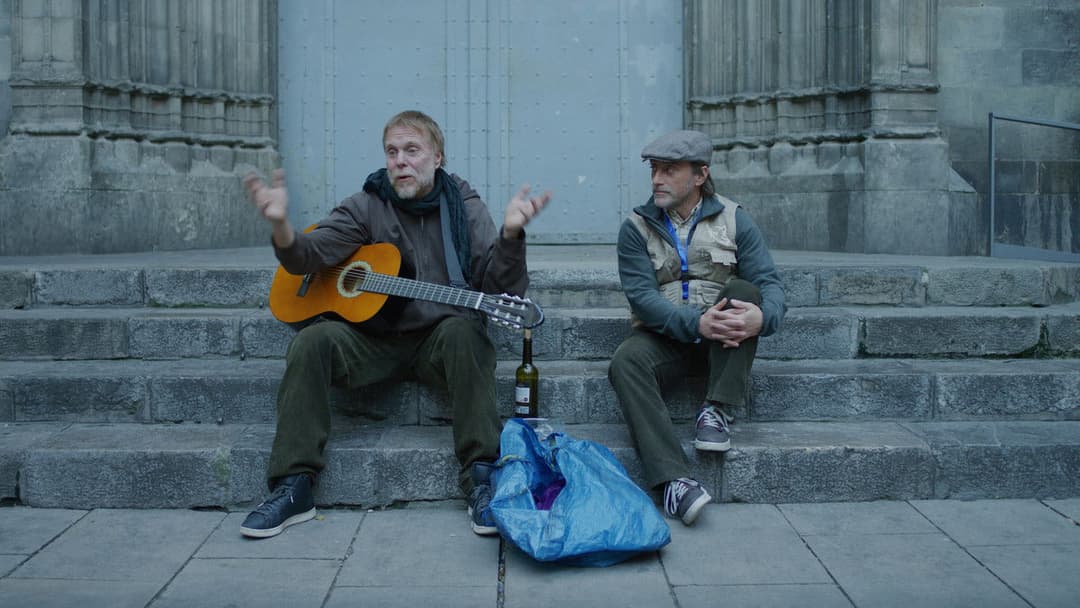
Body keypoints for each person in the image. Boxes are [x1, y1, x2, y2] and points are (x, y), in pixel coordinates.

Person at [240, 110, 551, 538]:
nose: (400, 161)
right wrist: (281, 228)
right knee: (311, 342)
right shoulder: (366, 205)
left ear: (437, 157)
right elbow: (307, 257)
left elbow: (499, 288)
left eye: (411, 150)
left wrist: (512, 236)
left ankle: (481, 478)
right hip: (371, 339)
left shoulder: (464, 205)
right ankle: (293, 486)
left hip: (439, 339)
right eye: (392, 152)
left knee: (466, 333)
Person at [608, 129, 785, 526]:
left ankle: (717, 409)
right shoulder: (635, 228)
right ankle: (674, 482)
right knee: (624, 362)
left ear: (700, 175)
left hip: (723, 343)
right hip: (664, 338)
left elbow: (770, 284)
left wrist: (763, 317)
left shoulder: (735, 218)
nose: (657, 179)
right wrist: (695, 322)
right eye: (654, 169)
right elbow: (643, 299)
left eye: (669, 170)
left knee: (745, 290)